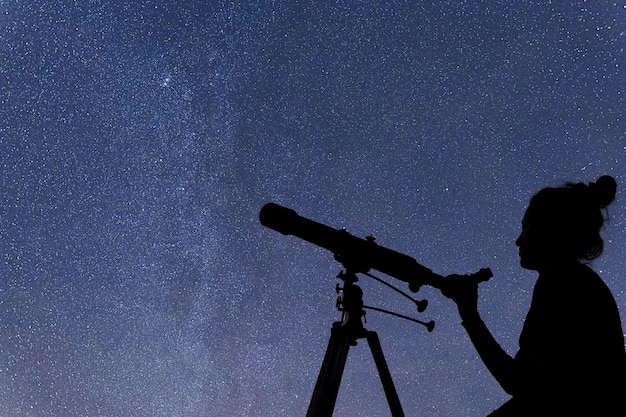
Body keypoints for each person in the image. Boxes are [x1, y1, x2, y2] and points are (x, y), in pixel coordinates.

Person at [441, 175, 626, 416]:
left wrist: (469, 313)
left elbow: (521, 383)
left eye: (524, 226)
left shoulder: (562, 282)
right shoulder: (573, 281)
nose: (518, 240)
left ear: (547, 227)